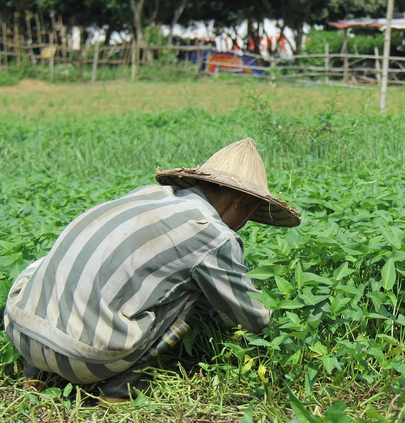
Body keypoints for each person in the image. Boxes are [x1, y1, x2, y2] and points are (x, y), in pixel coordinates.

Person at [4, 138, 300, 402]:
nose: (244, 224)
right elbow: (253, 316)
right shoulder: (211, 234)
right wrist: (287, 334)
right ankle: (120, 387)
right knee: (192, 288)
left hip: (20, 332)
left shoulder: (146, 195)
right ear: (240, 203)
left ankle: (36, 372)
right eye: (249, 215)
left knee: (55, 265)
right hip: (86, 361)